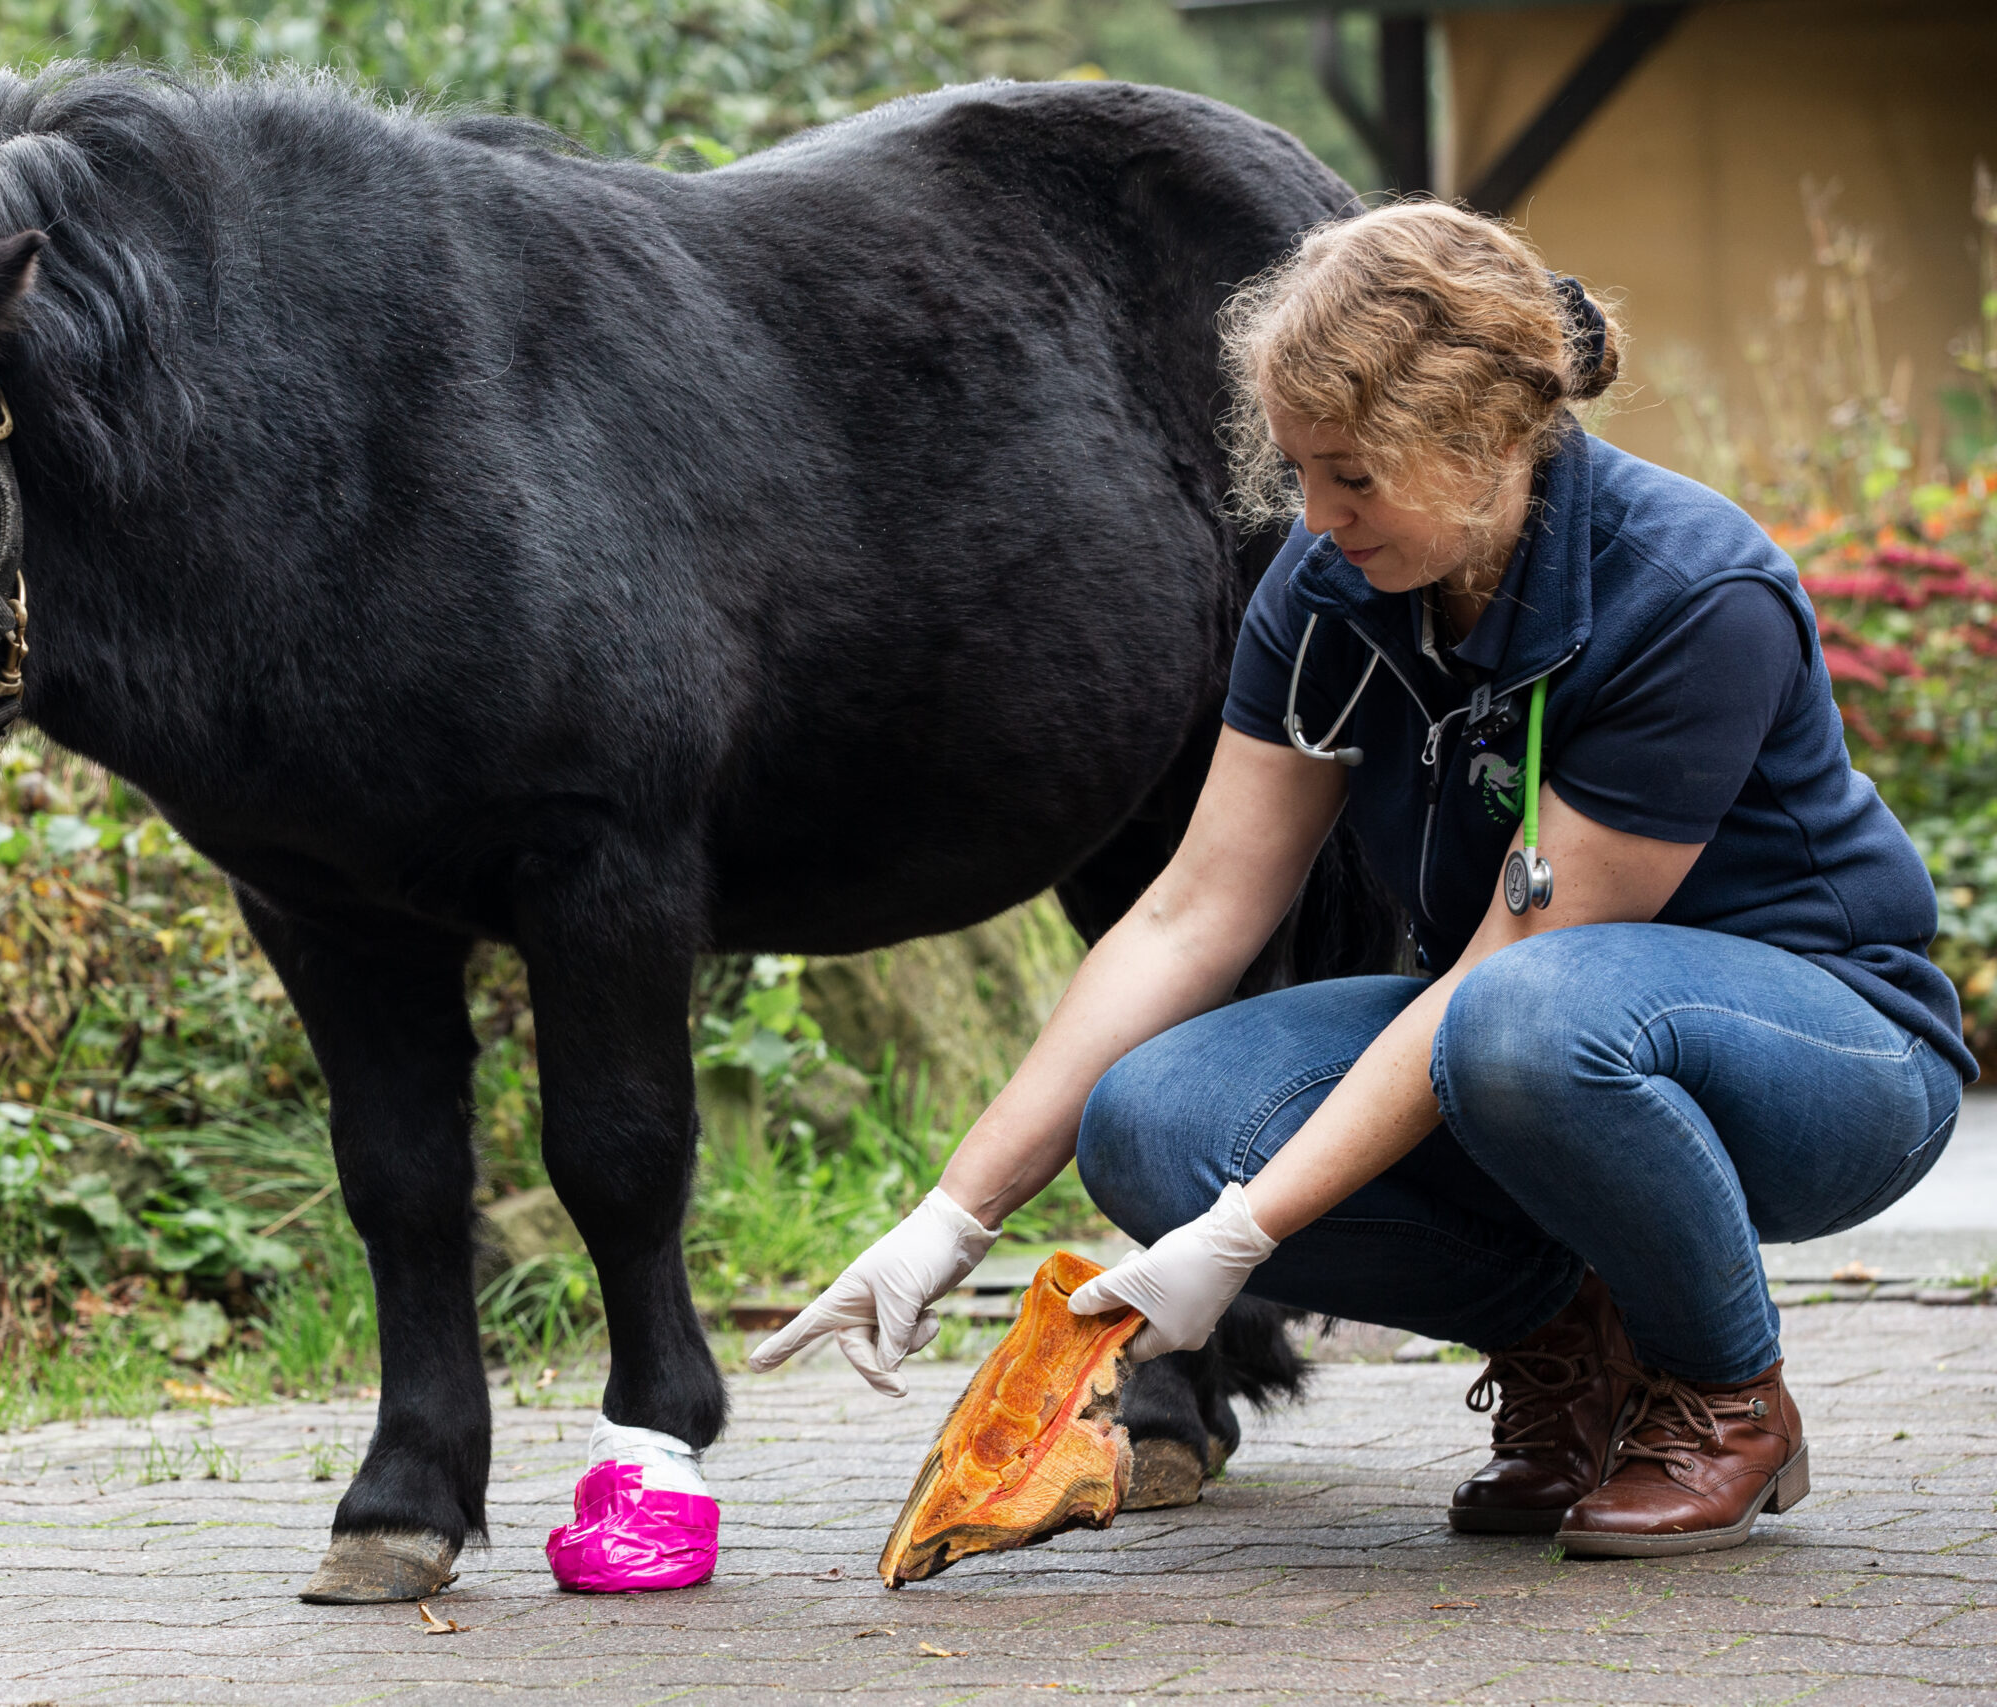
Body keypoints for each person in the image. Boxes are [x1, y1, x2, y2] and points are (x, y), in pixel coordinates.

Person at [749, 201, 1973, 1558]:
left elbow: (1504, 976)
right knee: (1150, 1122)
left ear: (1492, 441)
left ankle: (1724, 1392)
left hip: (1831, 1057)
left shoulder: (1689, 596)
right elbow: (1190, 911)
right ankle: (1571, 1348)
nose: (1316, 520)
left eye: (1354, 479)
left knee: (1527, 1025)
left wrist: (1245, 1234)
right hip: (1525, 1034)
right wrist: (950, 1216)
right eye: (1298, 472)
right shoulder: (1333, 586)